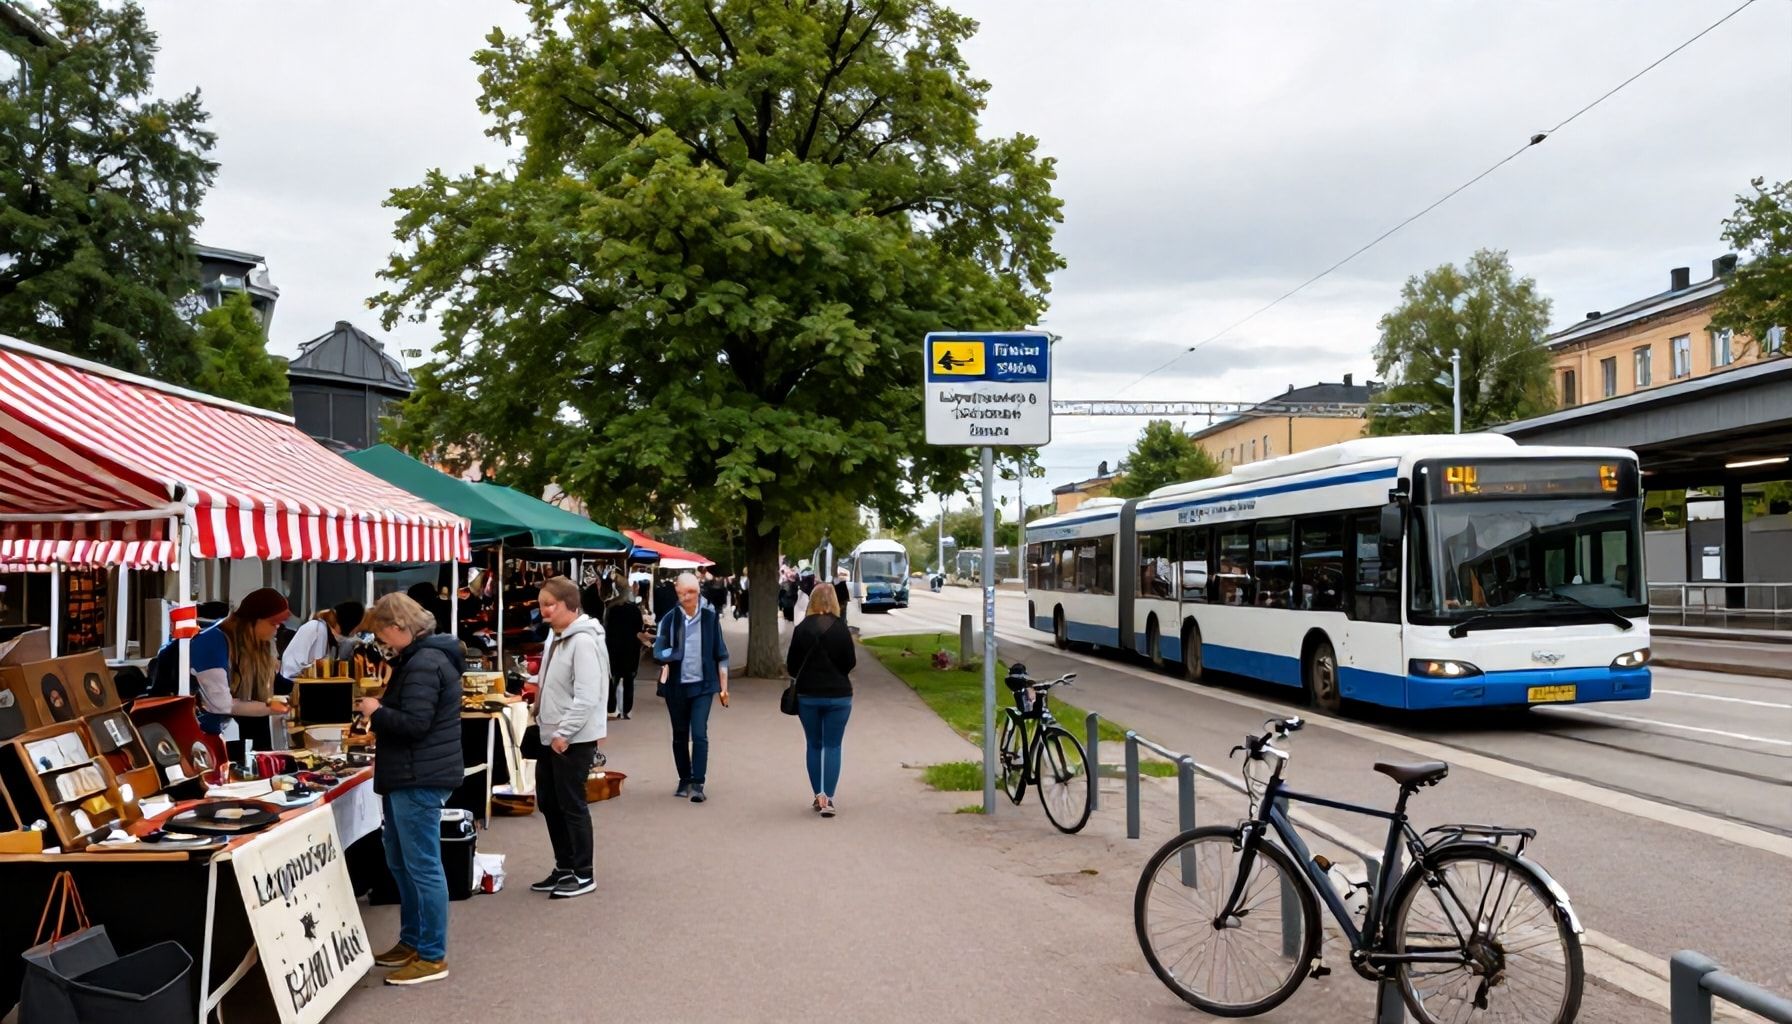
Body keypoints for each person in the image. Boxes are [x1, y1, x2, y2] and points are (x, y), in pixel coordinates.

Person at [355, 593, 463, 986]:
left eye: (383, 633)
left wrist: (377, 712)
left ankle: (432, 955)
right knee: (404, 863)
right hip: (413, 773)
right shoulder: (426, 658)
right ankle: (414, 941)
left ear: (398, 628)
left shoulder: (423, 663)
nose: (382, 641)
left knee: (421, 866)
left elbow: (416, 724)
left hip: (417, 775)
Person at [530, 577, 608, 899]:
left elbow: (588, 695)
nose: (544, 611)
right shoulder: (556, 638)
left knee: (572, 804)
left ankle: (583, 872)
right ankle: (564, 865)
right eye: (541, 604)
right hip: (551, 734)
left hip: (571, 738)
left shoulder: (583, 641)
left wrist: (564, 732)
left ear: (569, 605)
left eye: (550, 604)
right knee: (549, 801)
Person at [653, 573, 730, 803]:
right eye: (682, 592)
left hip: (703, 686)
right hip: (676, 686)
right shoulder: (669, 619)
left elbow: (721, 654)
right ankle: (684, 778)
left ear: (699, 592)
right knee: (679, 735)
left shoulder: (709, 618)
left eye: (692, 592)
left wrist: (724, 688)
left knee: (699, 733)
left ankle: (698, 782)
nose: (687, 597)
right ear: (676, 592)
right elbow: (659, 649)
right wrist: (670, 655)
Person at [786, 582, 855, 817]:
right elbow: (850, 663)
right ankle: (830, 799)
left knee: (814, 744)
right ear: (834, 601)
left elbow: (792, 666)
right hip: (839, 696)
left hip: (808, 696)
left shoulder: (802, 628)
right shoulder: (841, 628)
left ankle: (819, 795)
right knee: (833, 745)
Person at [188, 588, 291, 734]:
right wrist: (271, 707)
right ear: (255, 620)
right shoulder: (211, 642)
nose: (276, 630)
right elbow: (222, 705)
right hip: (186, 729)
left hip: (215, 729)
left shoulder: (248, 644)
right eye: (273, 623)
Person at [279, 601, 364, 678]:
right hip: (292, 684)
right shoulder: (317, 628)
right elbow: (313, 668)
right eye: (354, 630)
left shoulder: (329, 636)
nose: (354, 634)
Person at [603, 590, 651, 720]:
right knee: (629, 680)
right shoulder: (634, 609)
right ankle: (627, 710)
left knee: (613, 679)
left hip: (613, 648)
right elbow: (639, 629)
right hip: (630, 648)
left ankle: (612, 709)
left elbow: (606, 628)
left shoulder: (611, 609)